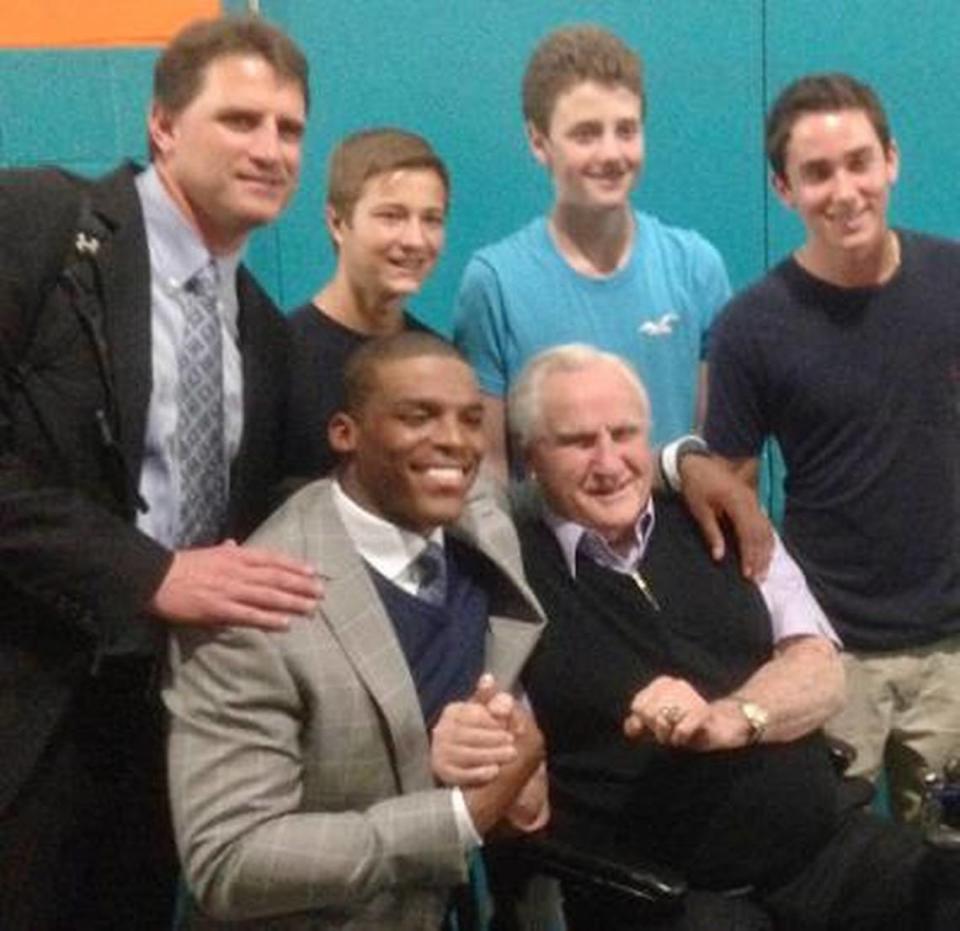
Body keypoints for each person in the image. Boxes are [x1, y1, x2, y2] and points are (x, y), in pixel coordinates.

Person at [438, 343, 955, 930]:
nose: (609, 462)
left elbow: (821, 671)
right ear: (531, 456)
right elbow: (521, 808)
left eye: (624, 433)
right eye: (579, 442)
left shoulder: (726, 520)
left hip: (823, 846)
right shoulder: (506, 574)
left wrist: (731, 718)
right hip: (667, 891)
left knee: (945, 885)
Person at [0, 15, 320, 930]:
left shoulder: (260, 329)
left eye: (289, 129)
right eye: (240, 120)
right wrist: (153, 574)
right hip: (27, 706)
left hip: (161, 725)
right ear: (162, 126)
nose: (269, 149)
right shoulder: (34, 223)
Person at [165, 332, 548, 930]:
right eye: (418, 416)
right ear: (345, 433)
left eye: (471, 420)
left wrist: (680, 464)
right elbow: (228, 861)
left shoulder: (478, 523)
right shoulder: (256, 608)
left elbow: (581, 474)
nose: (454, 441)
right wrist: (456, 814)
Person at [704, 73, 960, 823]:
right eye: (817, 173)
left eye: (859, 161)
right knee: (835, 868)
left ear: (892, 160)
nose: (844, 189)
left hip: (953, 651)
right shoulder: (752, 326)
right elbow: (732, 498)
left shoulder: (955, 280)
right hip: (829, 654)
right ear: (784, 189)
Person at [453, 24, 731, 481]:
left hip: (672, 540)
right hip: (545, 546)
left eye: (626, 130)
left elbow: (713, 453)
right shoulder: (494, 282)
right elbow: (490, 474)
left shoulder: (696, 267)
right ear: (538, 141)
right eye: (585, 134)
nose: (611, 153)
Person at [285, 128, 448, 478]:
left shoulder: (439, 359)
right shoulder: (279, 355)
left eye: (431, 219)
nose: (415, 240)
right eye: (392, 216)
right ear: (338, 223)